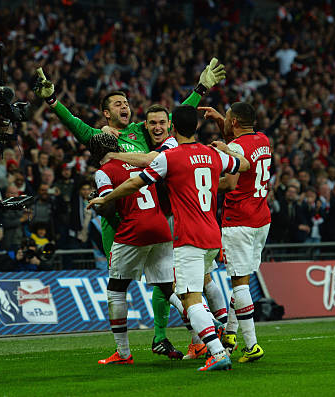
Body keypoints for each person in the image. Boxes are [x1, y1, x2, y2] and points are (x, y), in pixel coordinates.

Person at [33, 58, 225, 359]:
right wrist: (53, 101)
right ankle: (207, 330)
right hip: (124, 221)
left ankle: (163, 339)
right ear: (106, 113)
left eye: (126, 102)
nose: (125, 106)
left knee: (134, 286)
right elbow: (73, 123)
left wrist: (199, 89)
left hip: (141, 220)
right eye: (118, 103)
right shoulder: (100, 138)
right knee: (167, 285)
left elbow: (175, 119)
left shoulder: (141, 130)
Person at [88, 105, 249, 371]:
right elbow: (243, 165)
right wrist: (226, 150)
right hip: (212, 233)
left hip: (188, 236)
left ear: (173, 128)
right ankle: (216, 328)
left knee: (189, 298)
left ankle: (217, 350)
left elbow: (135, 183)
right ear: (196, 127)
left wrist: (107, 196)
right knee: (192, 289)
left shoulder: (170, 157)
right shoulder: (211, 154)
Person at [89, 133, 184, 364]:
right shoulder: (139, 161)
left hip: (134, 228)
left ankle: (123, 353)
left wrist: (97, 202)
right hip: (161, 226)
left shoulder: (103, 172)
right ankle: (209, 325)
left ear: (94, 154)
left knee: (116, 288)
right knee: (167, 288)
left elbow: (109, 208)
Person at [200, 102, 270, 363]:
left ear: (235, 123)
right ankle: (230, 334)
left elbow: (230, 182)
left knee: (239, 283)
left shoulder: (237, 148)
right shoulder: (262, 139)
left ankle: (251, 345)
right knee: (241, 279)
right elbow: (242, 146)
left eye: (227, 119)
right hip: (261, 218)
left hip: (240, 219)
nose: (225, 122)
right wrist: (222, 120)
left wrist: (200, 186)